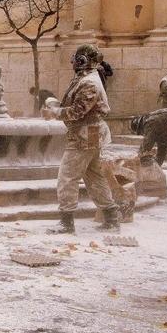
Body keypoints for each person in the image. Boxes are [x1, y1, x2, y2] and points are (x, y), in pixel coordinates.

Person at [43, 44, 123, 233]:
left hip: (85, 133)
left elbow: (78, 111)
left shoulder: (89, 82)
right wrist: (57, 105)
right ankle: (111, 217)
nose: (72, 62)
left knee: (67, 176)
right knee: (93, 175)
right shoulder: (87, 78)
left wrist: (54, 112)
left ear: (82, 61)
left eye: (76, 58)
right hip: (90, 131)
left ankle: (66, 221)